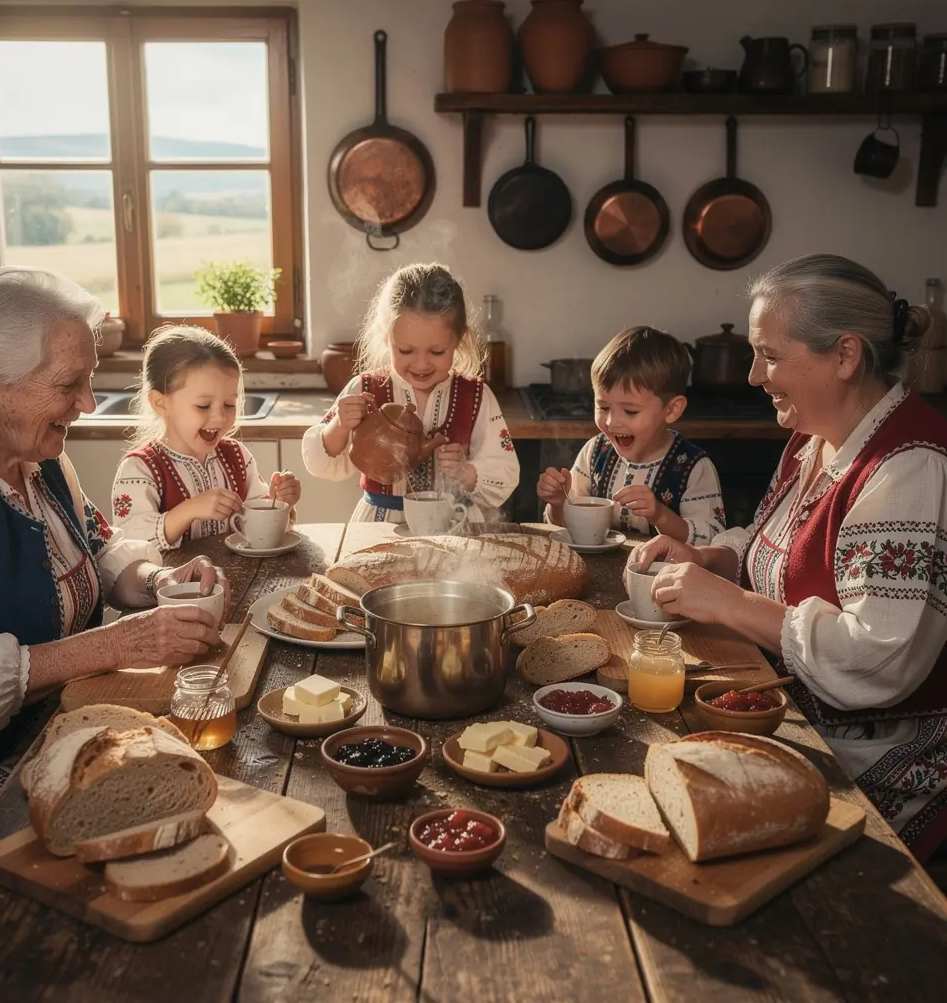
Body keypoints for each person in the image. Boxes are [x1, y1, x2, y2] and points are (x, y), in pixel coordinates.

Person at [631, 253, 947, 861]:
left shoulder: (909, 469)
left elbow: (878, 660)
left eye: (770, 355)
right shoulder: (812, 438)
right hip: (790, 720)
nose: (754, 376)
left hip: (875, 773)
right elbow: (772, 545)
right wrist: (709, 558)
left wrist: (731, 603)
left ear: (845, 355)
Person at [0, 266, 228, 883]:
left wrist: (158, 582)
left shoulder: (36, 452)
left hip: (55, 730)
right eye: (69, 384)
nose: (88, 403)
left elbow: (98, 546)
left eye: (88, 380)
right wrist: (116, 644)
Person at [301, 263, 520, 523]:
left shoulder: (477, 396)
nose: (421, 364)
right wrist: (340, 425)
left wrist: (467, 472)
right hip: (380, 524)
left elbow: (506, 472)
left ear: (459, 339)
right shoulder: (364, 389)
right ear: (386, 337)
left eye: (437, 352)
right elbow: (319, 464)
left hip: (453, 525)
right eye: (406, 351)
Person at [111, 324, 301, 550]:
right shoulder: (139, 469)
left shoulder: (238, 457)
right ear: (160, 403)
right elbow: (130, 543)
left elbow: (259, 533)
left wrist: (280, 504)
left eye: (229, 404)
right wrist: (189, 510)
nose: (220, 417)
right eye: (203, 406)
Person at [537, 326, 725, 546]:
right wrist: (558, 503)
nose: (611, 422)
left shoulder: (695, 468)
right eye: (603, 407)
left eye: (630, 411)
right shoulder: (594, 452)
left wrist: (660, 515)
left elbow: (711, 540)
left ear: (671, 410)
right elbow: (566, 527)